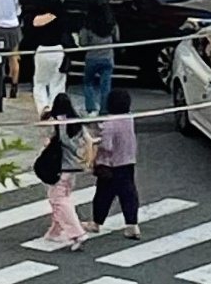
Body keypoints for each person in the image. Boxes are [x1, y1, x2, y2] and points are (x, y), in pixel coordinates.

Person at [35, 95, 91, 248]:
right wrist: (88, 160)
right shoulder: (77, 122)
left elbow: (46, 134)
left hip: (60, 167)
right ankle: (55, 231)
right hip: (74, 167)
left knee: (59, 201)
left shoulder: (58, 123)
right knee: (61, 198)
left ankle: (77, 233)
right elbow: (89, 140)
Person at [86, 91, 142, 236]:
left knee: (103, 195)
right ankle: (132, 225)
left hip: (111, 165)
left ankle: (96, 222)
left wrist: (95, 143)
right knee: (128, 194)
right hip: (128, 161)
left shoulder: (110, 123)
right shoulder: (129, 119)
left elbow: (107, 146)